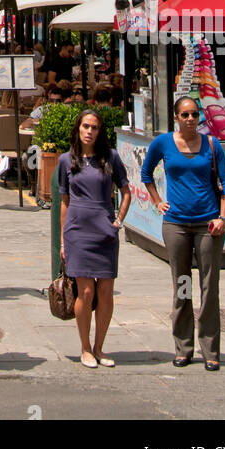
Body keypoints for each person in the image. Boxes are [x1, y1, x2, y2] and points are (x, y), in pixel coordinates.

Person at [141, 95, 225, 371]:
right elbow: (146, 174)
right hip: (176, 225)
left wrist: (223, 218)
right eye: (185, 115)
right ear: (176, 117)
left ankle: (211, 350)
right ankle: (183, 347)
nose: (191, 119)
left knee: (209, 286)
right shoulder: (163, 143)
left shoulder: (212, 145)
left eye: (194, 114)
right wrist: (158, 201)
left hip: (207, 224)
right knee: (183, 285)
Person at [58, 109, 132, 368]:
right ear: (78, 129)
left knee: (106, 291)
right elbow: (64, 202)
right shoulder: (66, 160)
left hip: (105, 230)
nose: (89, 131)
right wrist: (63, 241)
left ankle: (100, 346)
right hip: (78, 231)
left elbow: (126, 191)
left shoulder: (110, 157)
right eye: (86, 126)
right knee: (85, 291)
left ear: (100, 132)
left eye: (94, 127)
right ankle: (85, 347)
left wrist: (118, 221)